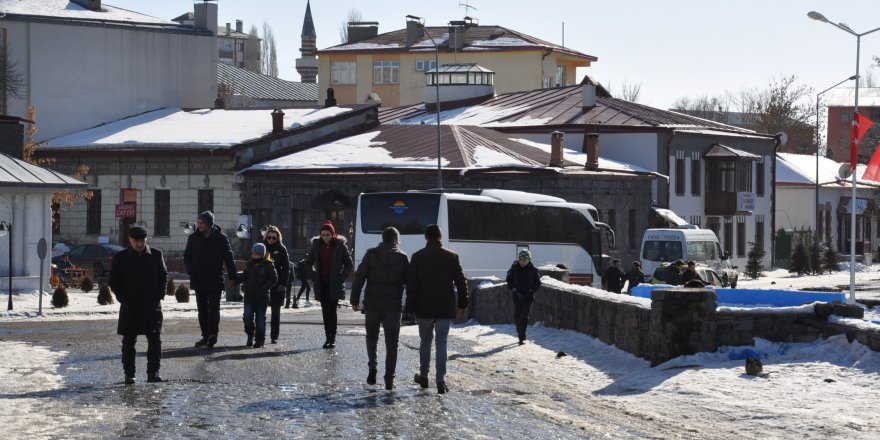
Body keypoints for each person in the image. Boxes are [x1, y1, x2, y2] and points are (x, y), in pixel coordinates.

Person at [406, 224, 468, 395]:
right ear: (440, 236)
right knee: (442, 343)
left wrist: (410, 307)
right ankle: (440, 381)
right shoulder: (452, 257)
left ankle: (424, 376)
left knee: (425, 341)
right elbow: (462, 282)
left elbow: (412, 285)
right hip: (444, 307)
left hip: (424, 307)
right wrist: (462, 304)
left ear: (426, 237)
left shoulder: (417, 257)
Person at [350, 227, 409, 390]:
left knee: (371, 337)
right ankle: (389, 379)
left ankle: (372, 367)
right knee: (392, 343)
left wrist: (354, 298)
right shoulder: (403, 258)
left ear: (382, 239)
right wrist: (411, 304)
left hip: (372, 305)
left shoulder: (371, 254)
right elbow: (410, 282)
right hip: (393, 306)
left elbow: (360, 277)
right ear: (397, 240)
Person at [109, 225, 168, 384]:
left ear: (146, 239)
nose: (140, 243)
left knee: (155, 340)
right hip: (130, 305)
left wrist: (159, 295)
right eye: (136, 240)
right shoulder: (121, 257)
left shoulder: (156, 255)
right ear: (130, 240)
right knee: (129, 341)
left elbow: (163, 275)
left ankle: (153, 373)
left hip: (151, 305)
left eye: (142, 240)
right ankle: (129, 374)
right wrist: (123, 298)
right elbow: (114, 281)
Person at [183, 211, 238, 348]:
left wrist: (232, 277)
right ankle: (205, 336)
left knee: (214, 308)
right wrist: (191, 271)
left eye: (202, 223)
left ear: (209, 224)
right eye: (198, 222)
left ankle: (213, 334)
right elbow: (187, 256)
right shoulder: (193, 238)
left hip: (215, 278)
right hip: (199, 278)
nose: (199, 225)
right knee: (202, 309)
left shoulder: (221, 238)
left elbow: (229, 258)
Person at [303, 220, 353, 349]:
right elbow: (308, 263)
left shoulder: (340, 246)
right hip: (322, 284)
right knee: (325, 311)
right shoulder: (316, 246)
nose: (325, 237)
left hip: (334, 284)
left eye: (328, 235)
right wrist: (313, 276)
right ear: (320, 235)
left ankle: (333, 337)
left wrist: (341, 278)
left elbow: (349, 264)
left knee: (332, 311)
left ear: (333, 234)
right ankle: (327, 337)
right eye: (323, 235)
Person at [237, 243, 278, 348]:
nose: (254, 255)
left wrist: (263, 288)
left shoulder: (268, 265)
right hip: (249, 296)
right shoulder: (250, 264)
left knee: (260, 319)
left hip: (262, 297)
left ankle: (260, 340)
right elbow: (245, 276)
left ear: (262, 254)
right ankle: (250, 334)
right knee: (247, 317)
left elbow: (274, 279)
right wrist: (236, 280)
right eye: (253, 253)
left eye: (256, 254)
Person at [506, 249, 541, 345]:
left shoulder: (533, 270)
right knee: (517, 316)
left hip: (528, 297)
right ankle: (519, 331)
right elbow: (509, 281)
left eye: (524, 260)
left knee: (524, 316)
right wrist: (515, 291)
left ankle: (522, 336)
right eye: (521, 259)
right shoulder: (514, 268)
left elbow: (538, 284)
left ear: (529, 260)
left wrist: (531, 291)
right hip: (517, 296)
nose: (522, 262)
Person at [262, 225, 290, 344]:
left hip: (277, 285)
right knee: (260, 311)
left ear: (278, 237)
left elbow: (286, 268)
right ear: (266, 237)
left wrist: (283, 284)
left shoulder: (282, 249)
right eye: (269, 237)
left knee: (275, 313)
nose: (271, 240)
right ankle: (259, 335)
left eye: (274, 237)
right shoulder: (262, 248)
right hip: (262, 284)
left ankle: (274, 336)